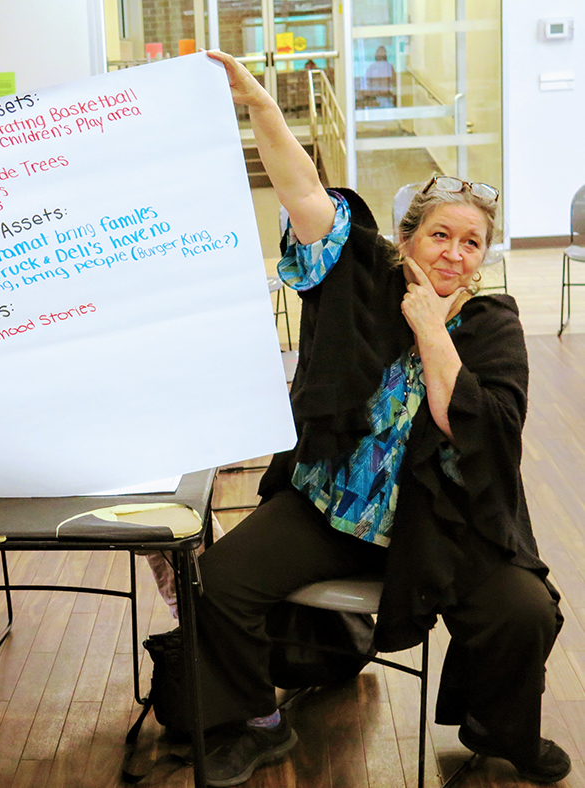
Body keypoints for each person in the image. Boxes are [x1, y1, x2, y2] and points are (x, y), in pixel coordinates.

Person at [196, 51, 569, 787]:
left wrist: (432, 327)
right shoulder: (361, 272)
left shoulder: (492, 323)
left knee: (523, 612)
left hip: (444, 521)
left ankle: (498, 734)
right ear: (405, 239)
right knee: (220, 580)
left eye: (472, 244)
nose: (455, 255)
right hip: (332, 506)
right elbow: (305, 198)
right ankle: (258, 722)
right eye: (440, 236)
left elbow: (474, 429)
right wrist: (261, 107)